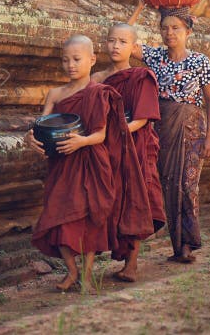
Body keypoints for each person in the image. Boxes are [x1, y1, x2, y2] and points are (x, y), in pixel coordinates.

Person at [25, 35, 147, 292]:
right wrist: (29, 139)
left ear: (91, 60)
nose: (71, 65)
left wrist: (80, 142)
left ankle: (88, 278)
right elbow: (39, 126)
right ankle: (72, 271)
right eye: (65, 60)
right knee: (55, 215)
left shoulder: (98, 92)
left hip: (89, 161)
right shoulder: (55, 93)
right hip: (61, 163)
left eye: (77, 59)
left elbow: (100, 135)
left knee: (89, 221)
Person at [128, 1, 210, 263]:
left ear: (188, 31)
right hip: (162, 129)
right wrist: (139, 8)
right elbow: (123, 37)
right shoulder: (155, 56)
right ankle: (178, 247)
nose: (169, 33)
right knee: (167, 185)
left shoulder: (200, 61)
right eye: (165, 28)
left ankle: (188, 243)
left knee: (188, 186)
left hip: (192, 130)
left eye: (175, 28)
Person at [92, 23, 165, 282]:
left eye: (123, 42)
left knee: (135, 199)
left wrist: (118, 134)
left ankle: (131, 265)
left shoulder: (141, 76)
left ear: (133, 47)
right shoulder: (98, 78)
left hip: (135, 145)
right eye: (112, 40)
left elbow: (143, 118)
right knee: (112, 199)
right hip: (106, 147)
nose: (116, 46)